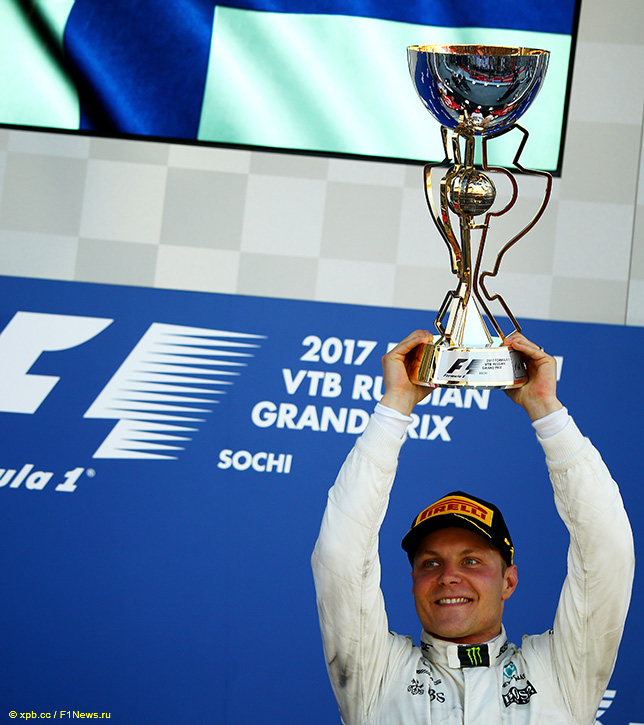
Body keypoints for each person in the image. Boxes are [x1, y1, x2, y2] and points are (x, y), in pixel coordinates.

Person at [312, 329, 634, 723]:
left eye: (471, 561)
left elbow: (608, 552)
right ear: (413, 582)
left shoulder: (560, 673)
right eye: (430, 563)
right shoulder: (378, 673)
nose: (448, 576)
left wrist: (547, 411)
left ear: (508, 581)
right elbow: (340, 557)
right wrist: (396, 405)